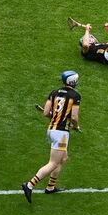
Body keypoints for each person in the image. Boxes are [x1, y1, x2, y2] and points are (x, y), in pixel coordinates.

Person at [21, 71, 82, 203]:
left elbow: (46, 113)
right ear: (72, 82)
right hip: (61, 133)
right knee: (53, 163)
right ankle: (30, 184)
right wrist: (76, 126)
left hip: (51, 130)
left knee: (63, 158)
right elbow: (74, 117)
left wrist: (55, 116)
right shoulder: (75, 96)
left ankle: (50, 187)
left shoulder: (54, 93)